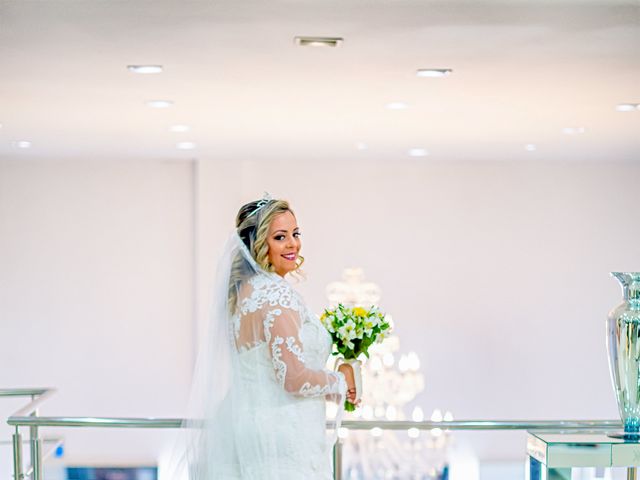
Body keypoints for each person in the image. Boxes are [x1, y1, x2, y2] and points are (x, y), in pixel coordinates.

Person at [183, 196, 358, 480]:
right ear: (258, 244)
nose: (293, 244)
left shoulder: (244, 294)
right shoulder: (277, 295)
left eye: (295, 234)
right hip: (284, 436)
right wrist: (340, 381)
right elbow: (293, 378)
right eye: (280, 237)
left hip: (246, 427)